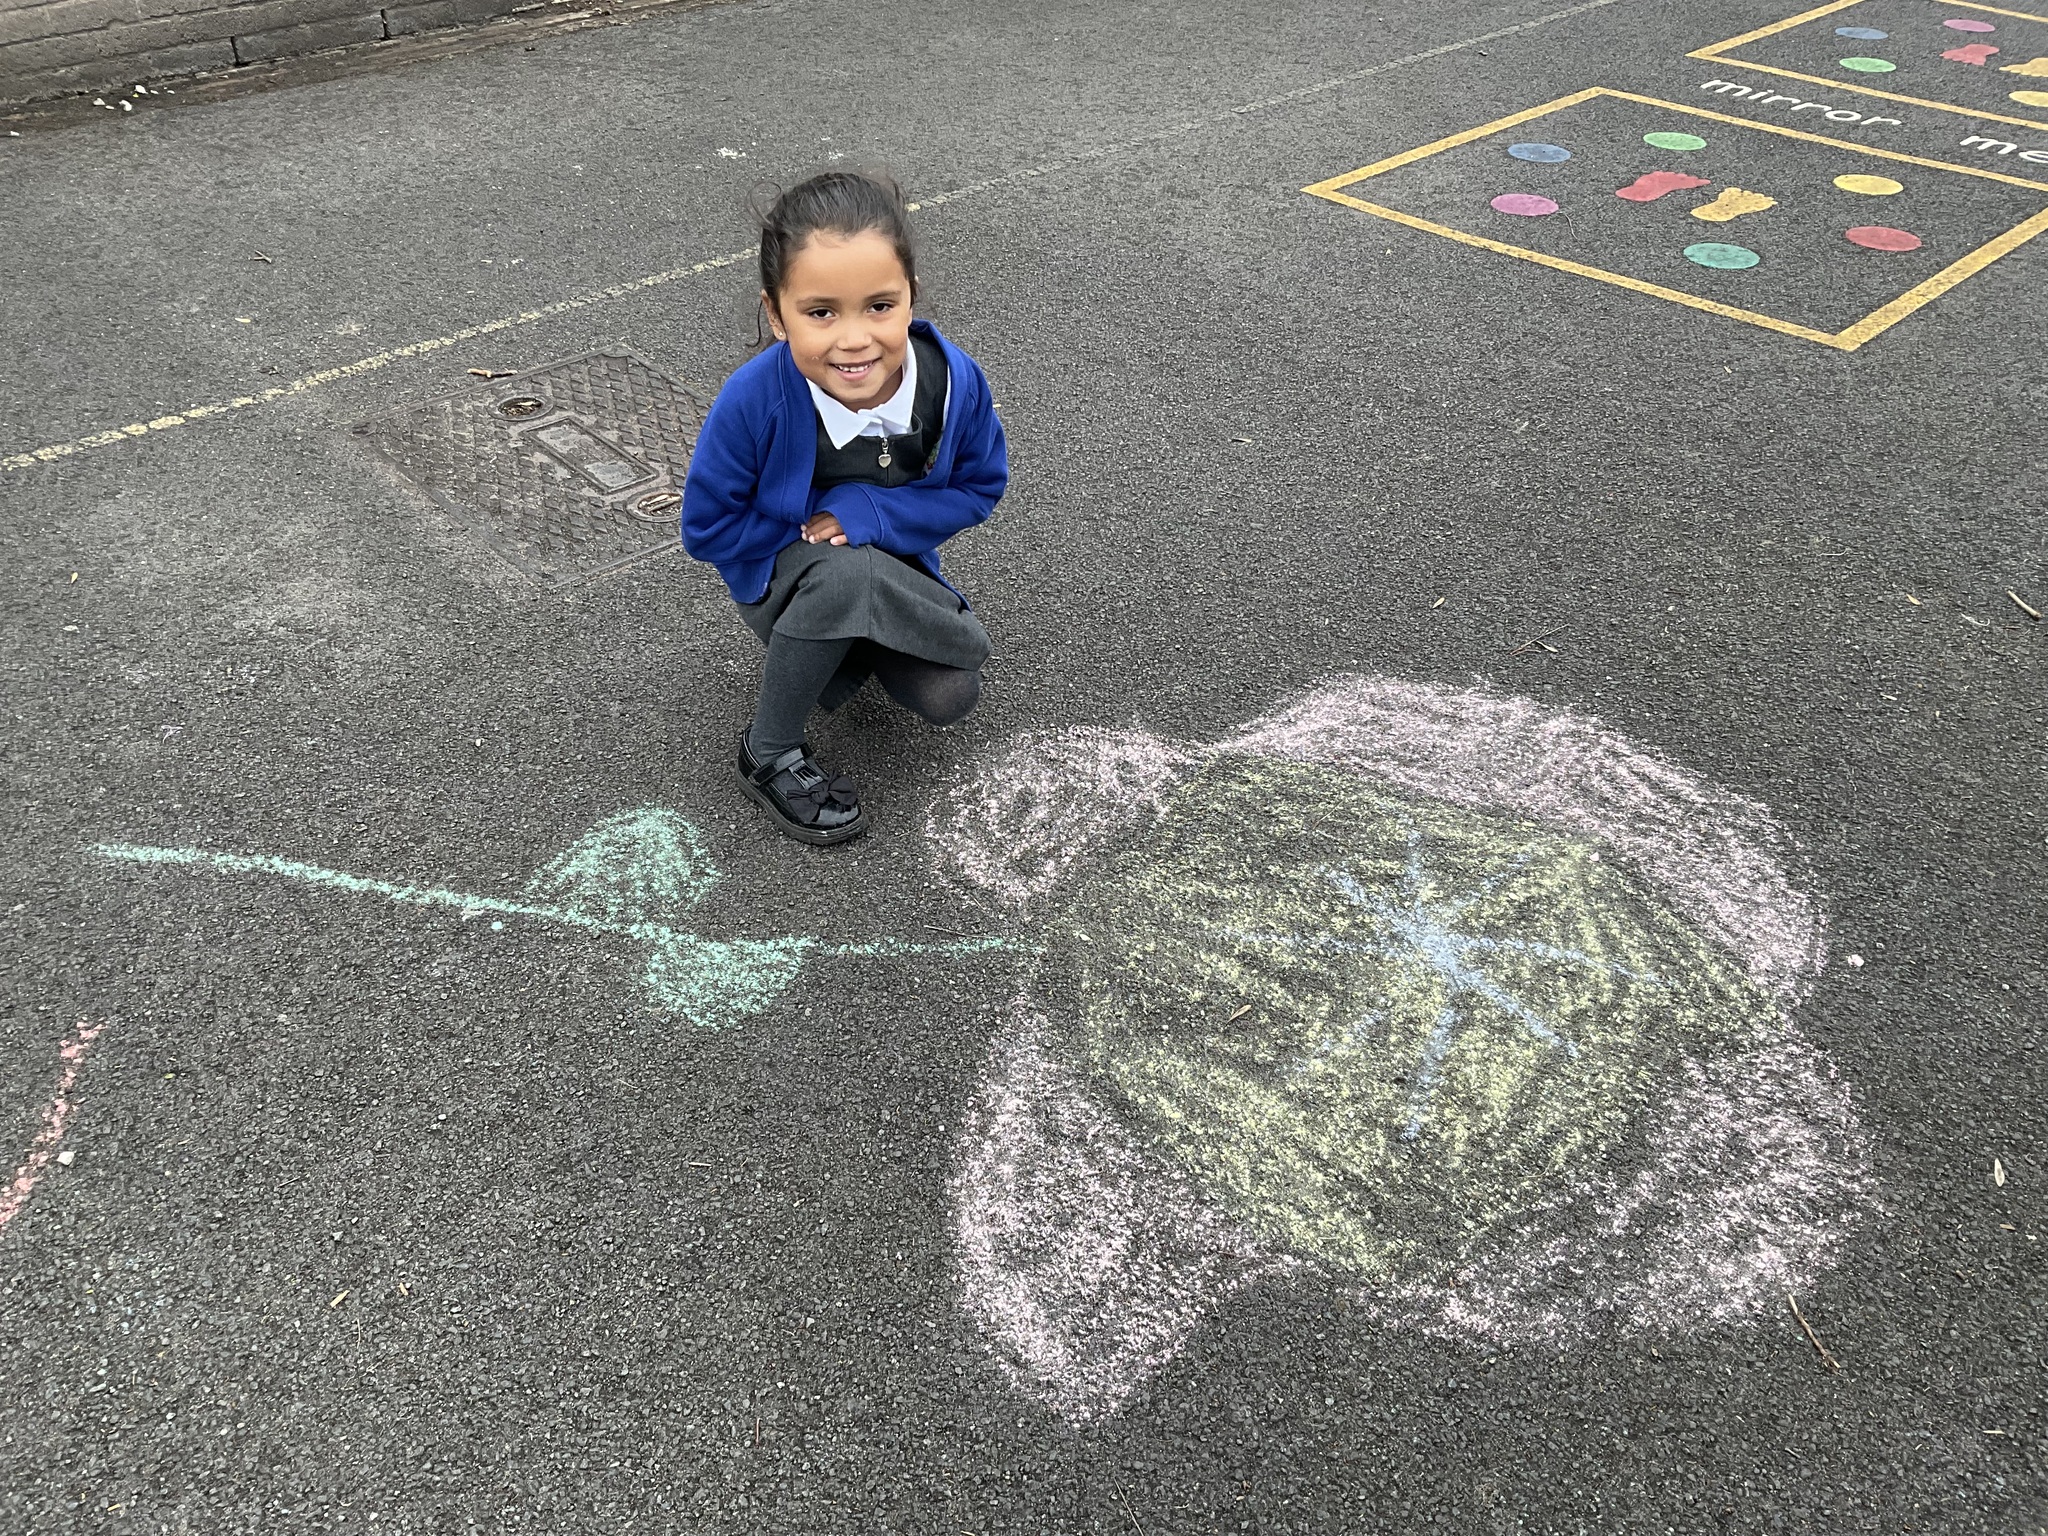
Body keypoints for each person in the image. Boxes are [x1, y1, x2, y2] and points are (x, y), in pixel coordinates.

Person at [681, 170, 1006, 846]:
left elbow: (980, 487)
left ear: (910, 295)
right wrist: (809, 531)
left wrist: (870, 514)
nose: (854, 339)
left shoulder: (951, 382)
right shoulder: (754, 399)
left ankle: (843, 633)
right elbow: (706, 528)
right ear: (777, 315)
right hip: (781, 576)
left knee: (951, 693)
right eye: (821, 313)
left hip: (885, 561)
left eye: (880, 306)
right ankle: (767, 750)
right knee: (843, 579)